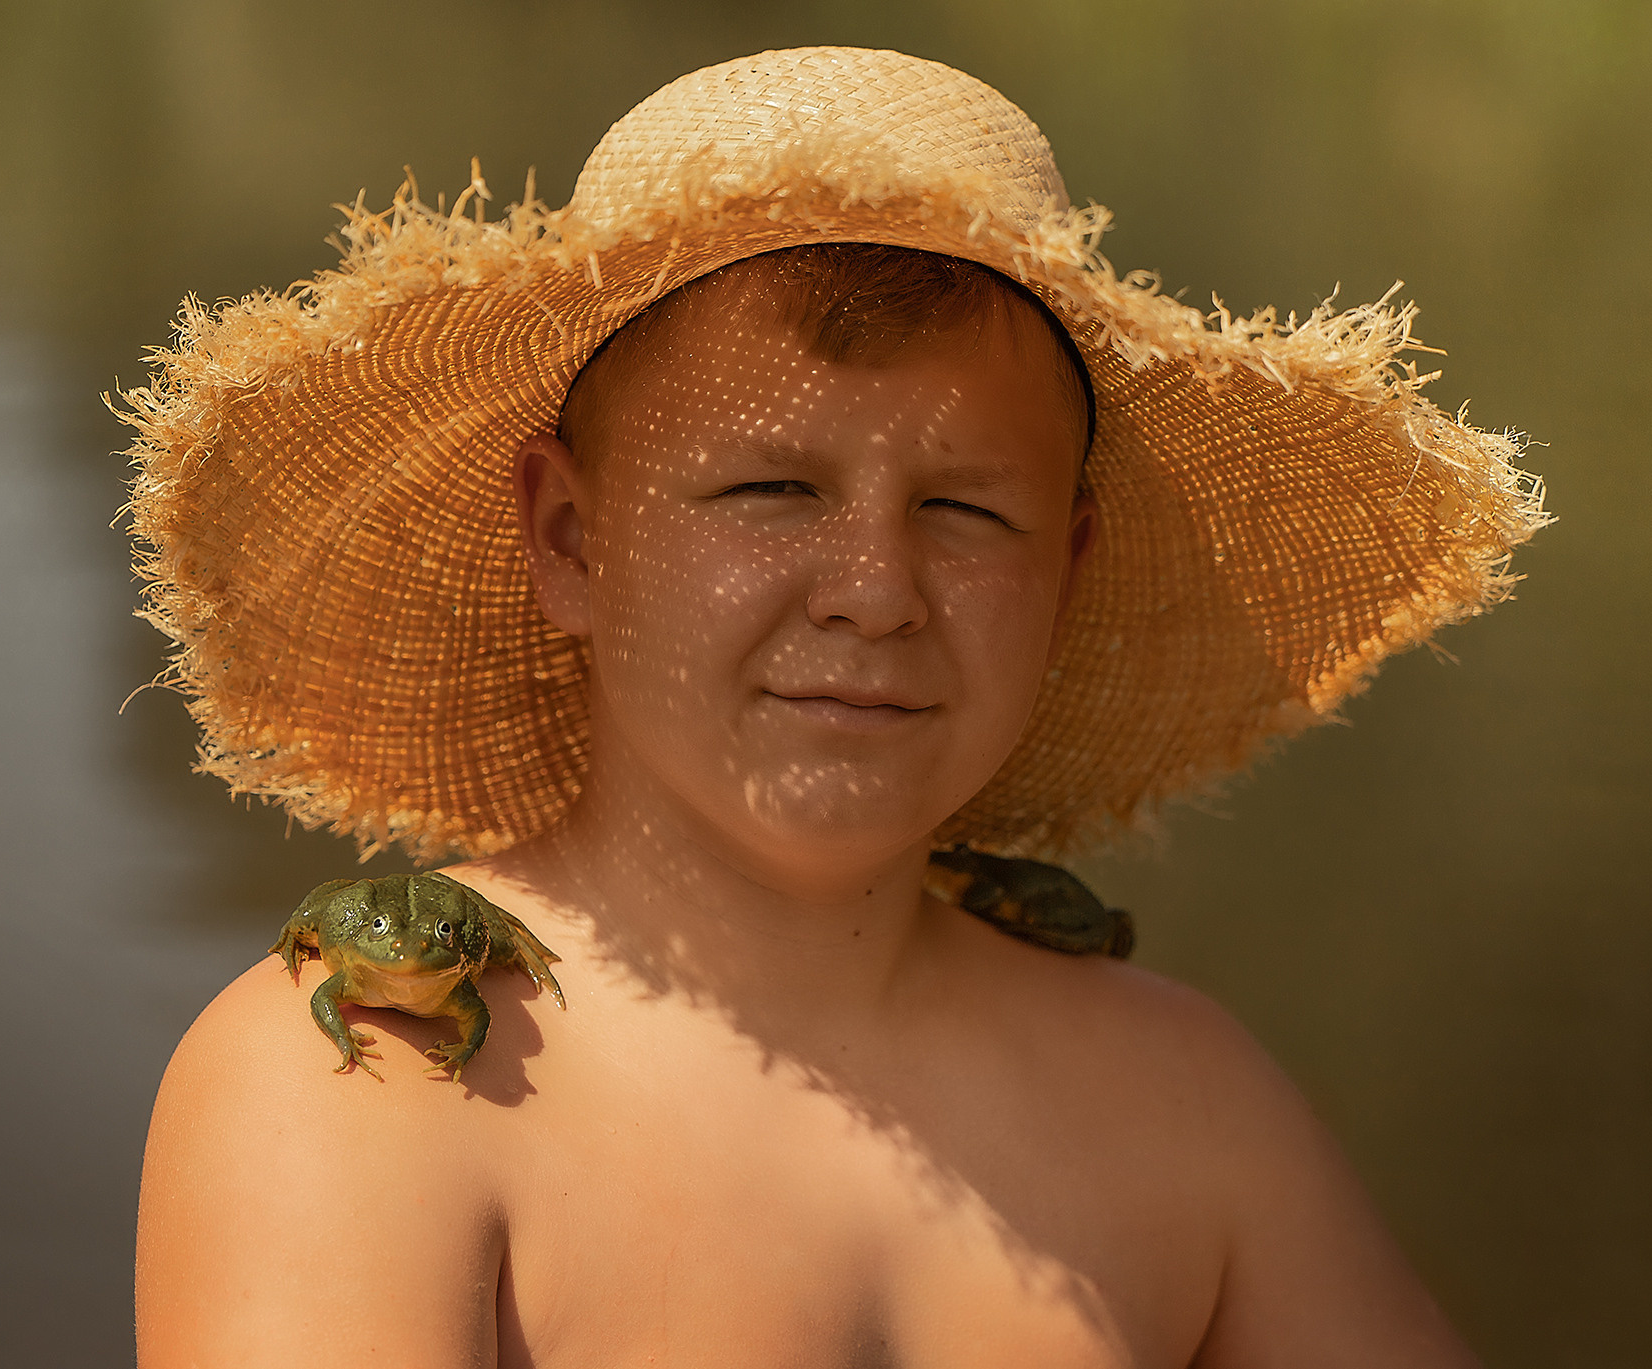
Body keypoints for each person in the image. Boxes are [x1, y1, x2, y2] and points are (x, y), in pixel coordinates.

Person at [123, 48, 1544, 1367]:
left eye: (968, 509)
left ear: (1068, 567)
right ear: (570, 540)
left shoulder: (1193, 1110)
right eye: (771, 489)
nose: (875, 589)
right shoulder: (376, 1079)